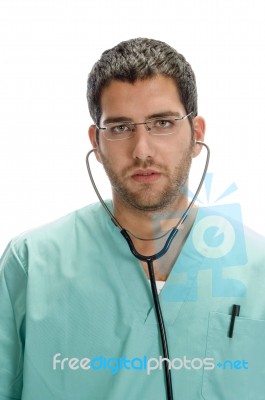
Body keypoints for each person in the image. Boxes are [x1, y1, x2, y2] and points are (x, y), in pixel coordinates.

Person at [0, 38, 265, 400]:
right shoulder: (32, 264)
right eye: (121, 128)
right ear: (96, 141)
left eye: (162, 122)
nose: (142, 150)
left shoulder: (257, 268)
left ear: (197, 133)